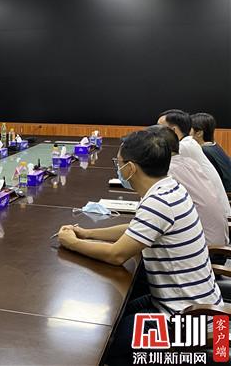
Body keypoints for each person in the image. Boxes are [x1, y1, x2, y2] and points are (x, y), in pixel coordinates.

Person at [57, 130, 222, 362]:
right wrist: (87, 233)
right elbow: (136, 228)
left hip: (189, 322)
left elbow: (116, 255)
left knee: (106, 340)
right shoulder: (170, 188)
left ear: (131, 168)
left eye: (119, 163)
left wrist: (73, 243)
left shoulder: (159, 202)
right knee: (117, 316)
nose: (118, 168)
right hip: (188, 306)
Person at [146, 125, 230, 248]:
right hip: (218, 239)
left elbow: (152, 217)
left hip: (205, 248)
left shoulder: (167, 172)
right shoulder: (190, 163)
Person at [157, 109, 229, 206]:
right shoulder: (190, 143)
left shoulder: (184, 147)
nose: (155, 131)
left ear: (173, 131)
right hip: (213, 204)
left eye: (159, 127)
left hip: (212, 207)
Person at [190, 112, 231, 192]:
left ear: (199, 133)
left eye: (189, 129)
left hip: (223, 193)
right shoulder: (214, 146)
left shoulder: (203, 151)